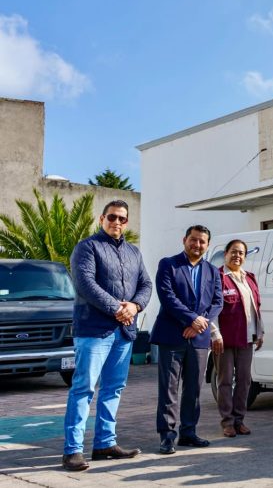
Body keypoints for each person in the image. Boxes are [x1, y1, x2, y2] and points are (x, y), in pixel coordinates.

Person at [62, 200, 152, 472]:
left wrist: (135, 306)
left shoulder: (134, 252)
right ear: (102, 219)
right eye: (112, 217)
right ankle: (72, 450)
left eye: (122, 218)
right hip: (93, 331)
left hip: (123, 332)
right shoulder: (87, 247)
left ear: (127, 222)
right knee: (84, 388)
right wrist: (117, 308)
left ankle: (104, 444)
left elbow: (146, 284)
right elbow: (85, 283)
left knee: (113, 388)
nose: (117, 222)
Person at [151, 225, 223, 454]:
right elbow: (167, 297)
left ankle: (189, 433)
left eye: (202, 241)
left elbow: (217, 302)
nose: (197, 244)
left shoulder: (212, 271)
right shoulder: (168, 264)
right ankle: (167, 436)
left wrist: (200, 323)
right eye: (193, 239)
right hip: (172, 336)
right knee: (169, 389)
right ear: (185, 240)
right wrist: (192, 319)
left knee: (193, 389)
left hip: (199, 339)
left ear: (208, 245)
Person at [211, 239, 264, 438]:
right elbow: (211, 309)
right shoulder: (217, 277)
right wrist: (215, 334)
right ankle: (227, 422)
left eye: (241, 253)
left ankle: (239, 420)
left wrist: (260, 332)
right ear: (225, 254)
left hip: (247, 338)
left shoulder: (249, 278)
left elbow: (256, 307)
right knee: (225, 381)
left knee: (244, 380)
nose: (237, 256)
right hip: (224, 340)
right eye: (233, 252)